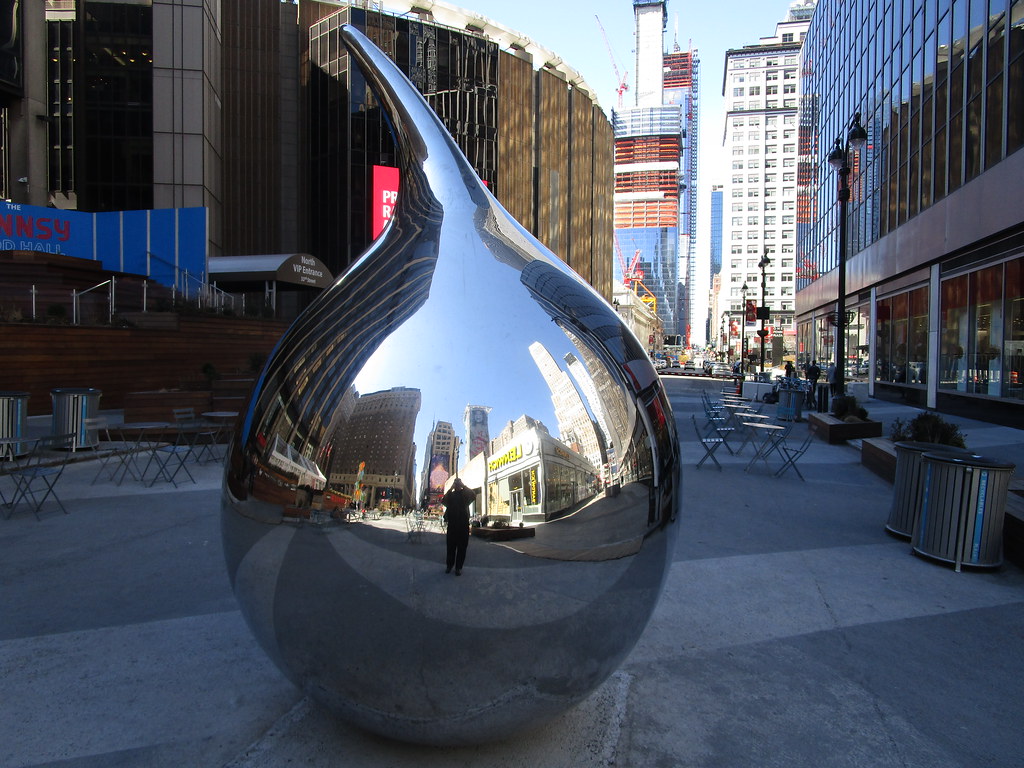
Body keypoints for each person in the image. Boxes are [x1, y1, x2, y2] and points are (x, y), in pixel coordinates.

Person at [442, 478, 476, 575]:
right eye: (456, 484)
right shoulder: (451, 495)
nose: (457, 486)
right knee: (450, 547)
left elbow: (473, 495)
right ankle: (449, 565)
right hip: (452, 524)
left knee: (462, 547)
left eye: (458, 484)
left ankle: (458, 567)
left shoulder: (465, 495)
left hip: (463, 524)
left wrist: (463, 485)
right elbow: (444, 501)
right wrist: (451, 488)